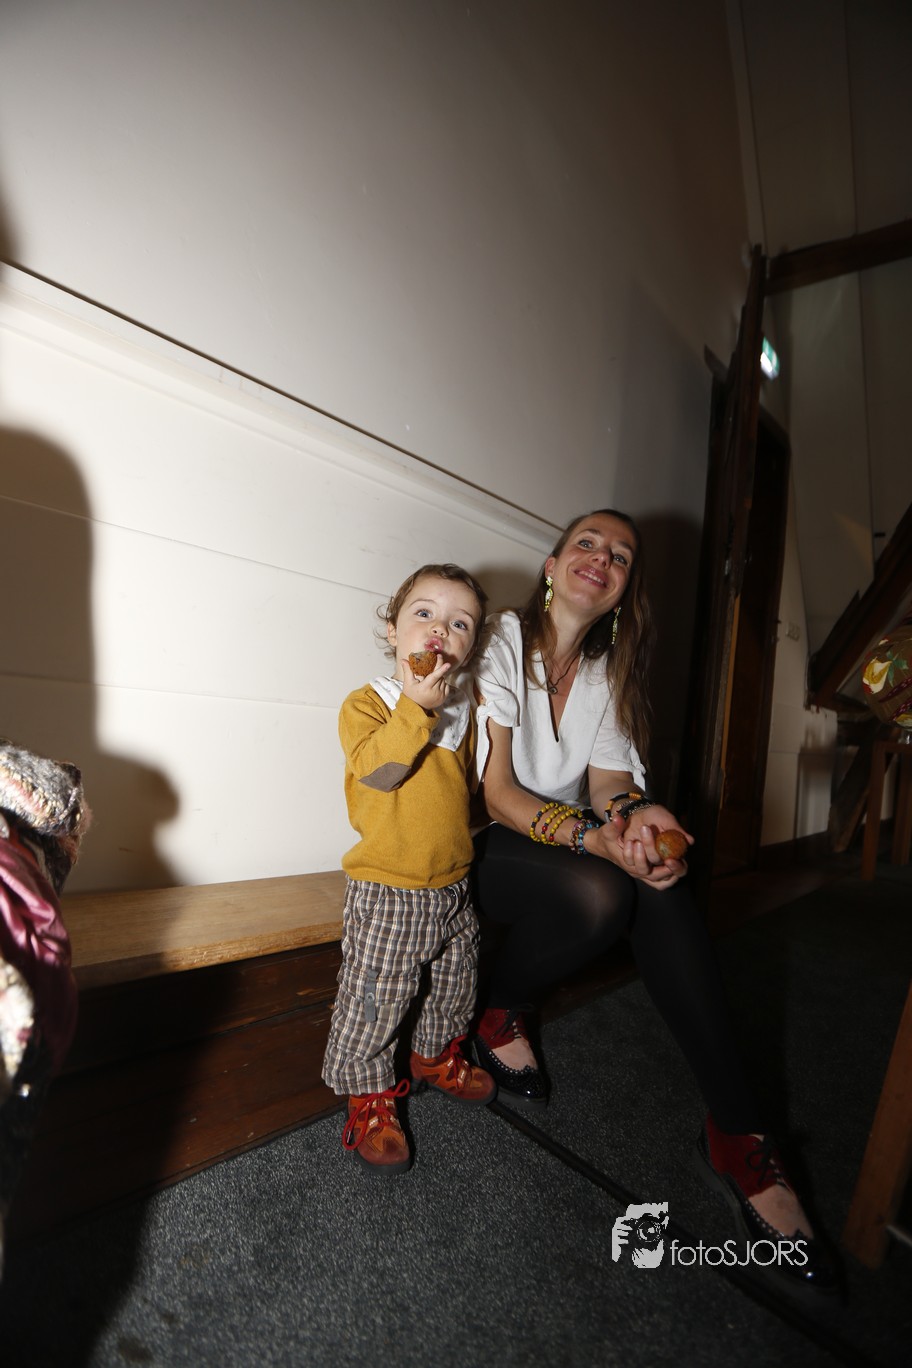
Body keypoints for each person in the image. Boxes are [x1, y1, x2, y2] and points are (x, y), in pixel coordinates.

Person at [469, 509, 835, 1294]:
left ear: (624, 589)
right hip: (477, 845)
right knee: (600, 887)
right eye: (587, 543)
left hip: (555, 846)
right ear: (552, 566)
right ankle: (502, 1008)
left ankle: (739, 1132)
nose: (602, 558)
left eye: (622, 556)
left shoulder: (605, 670)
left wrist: (636, 817)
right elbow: (496, 792)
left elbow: (609, 784)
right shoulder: (503, 637)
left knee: (650, 881)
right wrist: (594, 839)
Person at [322, 563, 496, 1175]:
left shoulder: (463, 708)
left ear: (470, 647)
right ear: (393, 630)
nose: (439, 630)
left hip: (452, 882)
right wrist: (415, 709)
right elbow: (379, 773)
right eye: (424, 614)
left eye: (459, 623)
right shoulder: (369, 702)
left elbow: (462, 793)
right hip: (389, 886)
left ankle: (434, 1053)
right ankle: (368, 1093)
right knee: (377, 995)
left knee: (455, 982)